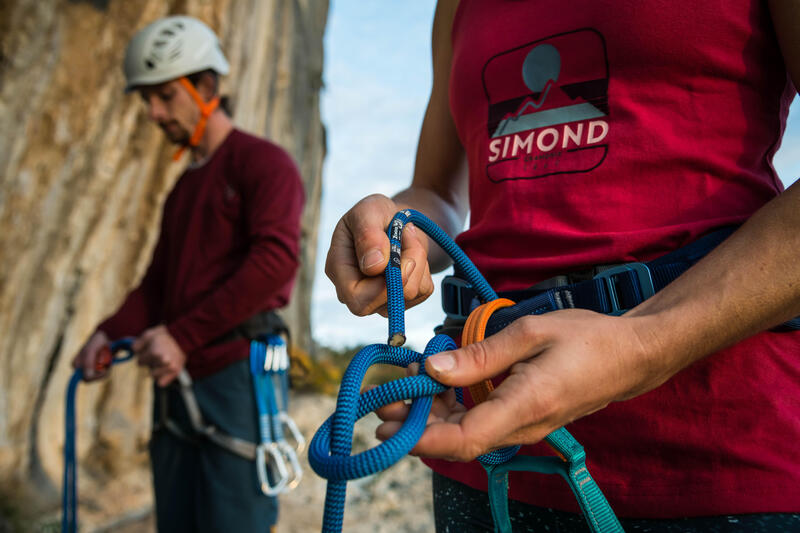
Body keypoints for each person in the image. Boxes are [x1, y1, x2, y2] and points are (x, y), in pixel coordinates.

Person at [325, 0, 800, 530]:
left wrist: (645, 344)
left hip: (709, 450)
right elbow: (436, 190)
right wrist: (397, 227)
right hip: (481, 436)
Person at [71, 15, 305, 533]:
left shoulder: (263, 165)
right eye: (146, 100)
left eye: (165, 96)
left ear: (206, 87)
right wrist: (108, 333)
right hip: (178, 381)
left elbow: (274, 263)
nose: (154, 113)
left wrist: (182, 336)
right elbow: (158, 286)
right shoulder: (183, 190)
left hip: (238, 378)